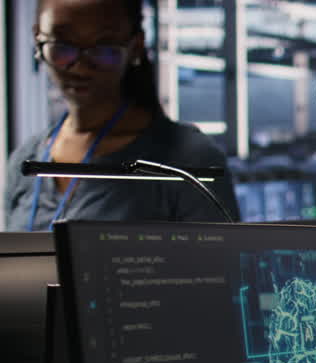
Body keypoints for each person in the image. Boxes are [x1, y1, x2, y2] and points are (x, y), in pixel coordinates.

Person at [4, 0, 239, 231]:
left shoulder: (188, 159)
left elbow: (224, 264)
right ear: (38, 41)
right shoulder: (26, 160)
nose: (79, 66)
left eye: (103, 47)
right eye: (62, 45)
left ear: (135, 46)